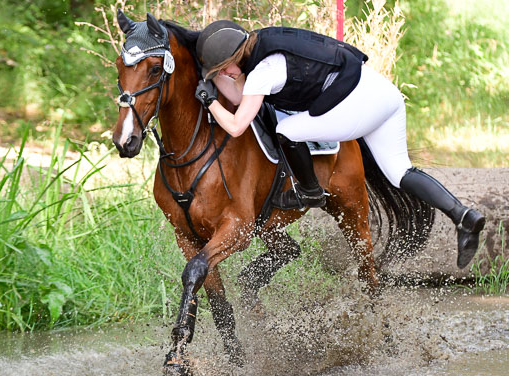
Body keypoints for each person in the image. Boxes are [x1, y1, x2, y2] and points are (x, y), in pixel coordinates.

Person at [194, 20, 485, 269]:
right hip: (383, 94)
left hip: (359, 104)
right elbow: (239, 96)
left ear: (235, 58)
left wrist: (208, 101)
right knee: (399, 172)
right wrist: (216, 79)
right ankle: (464, 216)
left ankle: (309, 191)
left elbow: (235, 124)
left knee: (287, 130)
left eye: (224, 69)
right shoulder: (264, 41)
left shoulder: (260, 73)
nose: (226, 74)